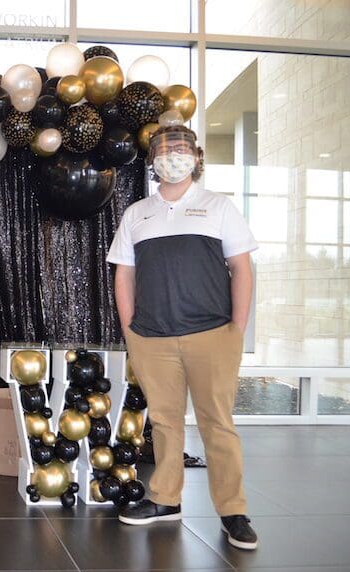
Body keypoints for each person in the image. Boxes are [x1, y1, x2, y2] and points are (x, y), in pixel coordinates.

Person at [106, 125, 259, 550]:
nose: (172, 155)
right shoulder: (137, 213)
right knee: (164, 422)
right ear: (152, 161)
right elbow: (125, 273)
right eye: (163, 150)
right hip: (152, 338)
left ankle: (233, 511)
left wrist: (237, 330)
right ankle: (165, 499)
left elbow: (242, 270)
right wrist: (130, 327)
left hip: (213, 334)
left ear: (196, 156)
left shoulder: (219, 206)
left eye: (180, 149)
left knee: (218, 425)